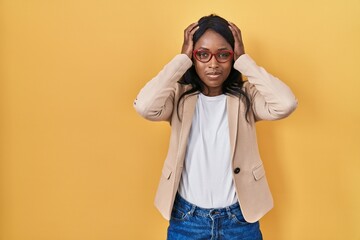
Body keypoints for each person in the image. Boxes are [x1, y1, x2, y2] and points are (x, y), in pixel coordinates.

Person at [134, 14, 297, 240]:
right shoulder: (179, 96)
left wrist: (245, 61)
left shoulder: (247, 97)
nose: (213, 64)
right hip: (187, 219)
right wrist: (181, 60)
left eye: (223, 55)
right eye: (202, 54)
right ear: (193, 57)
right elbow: (144, 106)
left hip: (239, 219)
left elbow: (286, 103)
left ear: (233, 57)